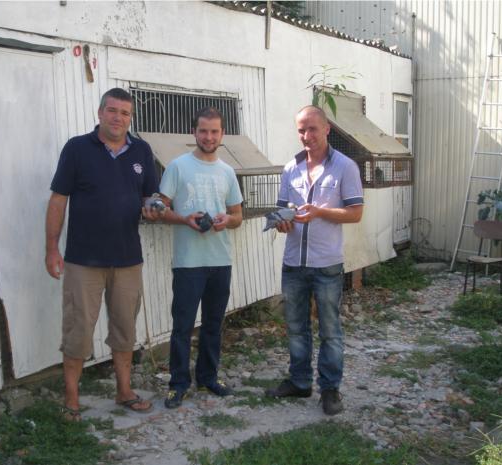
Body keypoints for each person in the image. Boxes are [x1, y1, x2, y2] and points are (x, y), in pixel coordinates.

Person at [45, 87, 158, 420]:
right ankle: (71, 399)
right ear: (99, 113)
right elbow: (58, 199)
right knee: (78, 330)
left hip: (128, 259)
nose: (118, 118)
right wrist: (51, 248)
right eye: (112, 110)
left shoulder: (142, 150)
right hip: (84, 260)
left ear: (130, 118)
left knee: (125, 330)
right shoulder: (77, 148)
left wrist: (154, 207)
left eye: (125, 113)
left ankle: (124, 391)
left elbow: (150, 196)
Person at [265, 105, 363, 415]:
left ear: (326, 129)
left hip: (327, 263)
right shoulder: (290, 169)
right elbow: (282, 211)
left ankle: (330, 390)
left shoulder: (345, 167)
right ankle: (300, 382)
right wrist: (282, 223)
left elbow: (355, 213)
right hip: (294, 262)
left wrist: (319, 212)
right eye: (301, 130)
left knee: (330, 330)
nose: (307, 136)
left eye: (312, 129)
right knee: (296, 328)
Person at [155, 107, 243, 409]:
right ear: (194, 132)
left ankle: (208, 377)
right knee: (182, 327)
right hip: (188, 262)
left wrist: (226, 220)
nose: (208, 137)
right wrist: (184, 219)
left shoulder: (227, 172)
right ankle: (178, 384)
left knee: (213, 324)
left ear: (222, 134)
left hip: (220, 260)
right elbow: (159, 209)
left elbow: (238, 215)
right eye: (203, 131)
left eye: (214, 131)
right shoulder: (177, 167)